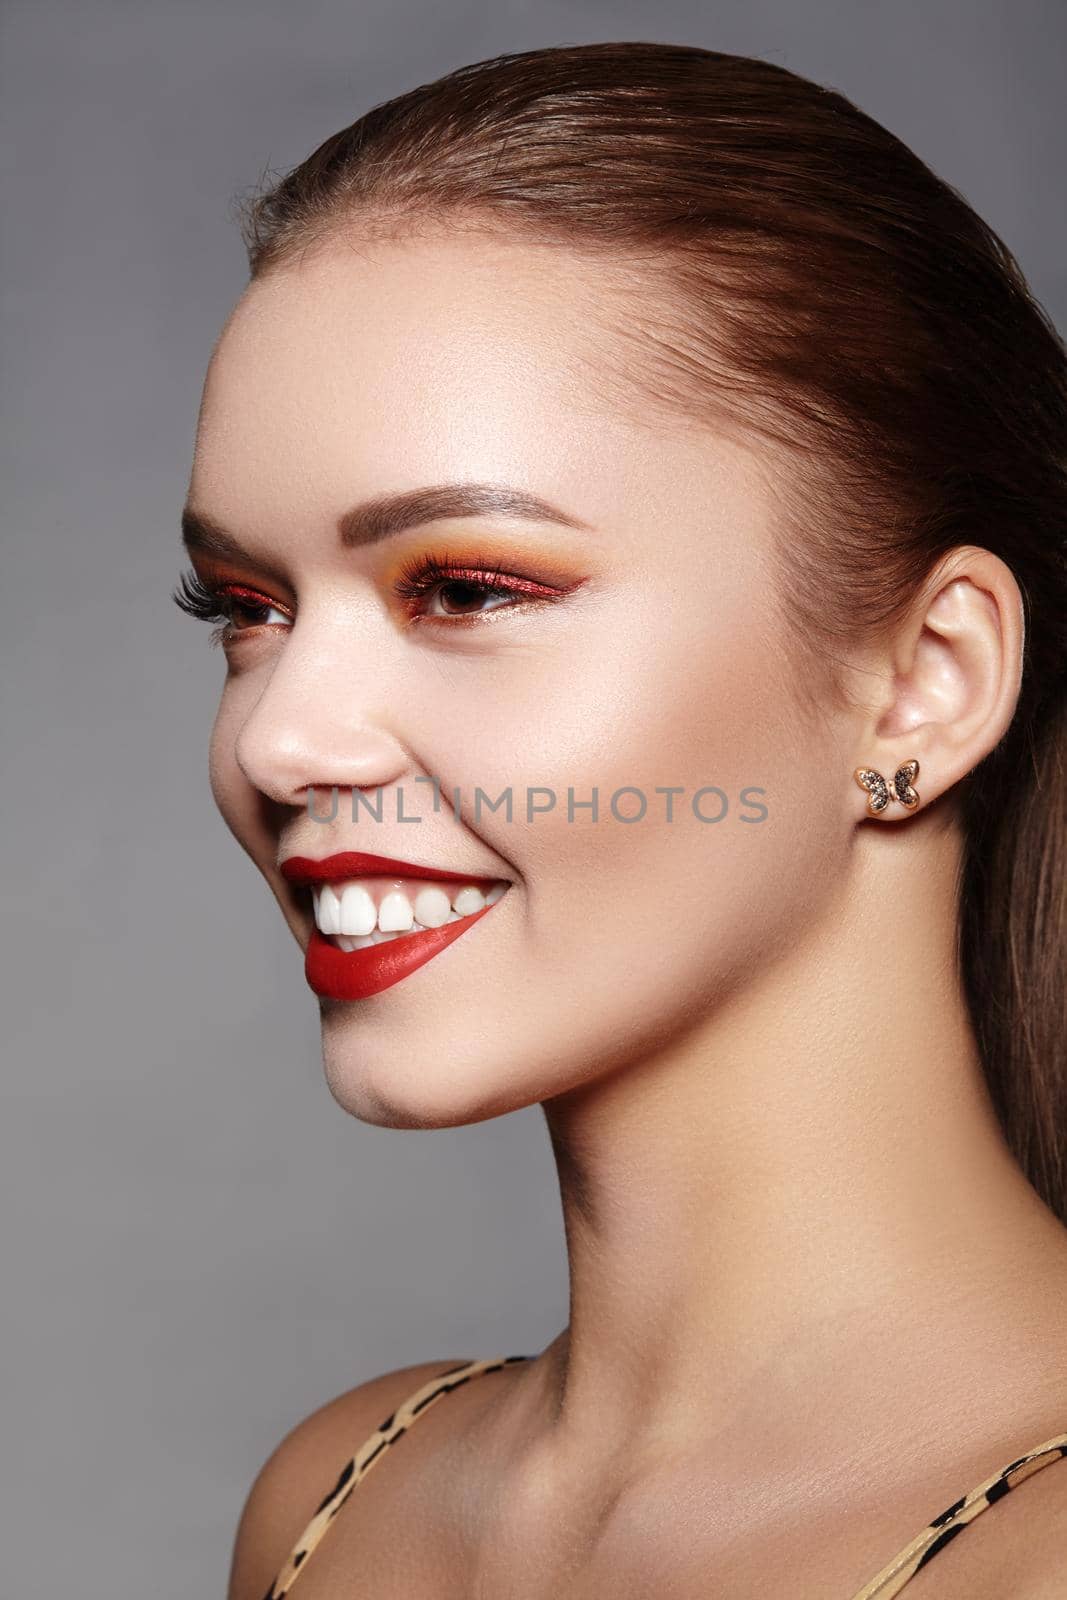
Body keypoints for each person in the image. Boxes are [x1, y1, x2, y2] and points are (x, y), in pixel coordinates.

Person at [174, 40, 1067, 1599]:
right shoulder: (335, 1509)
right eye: (246, 607)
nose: (284, 735)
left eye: (464, 587)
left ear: (926, 683)